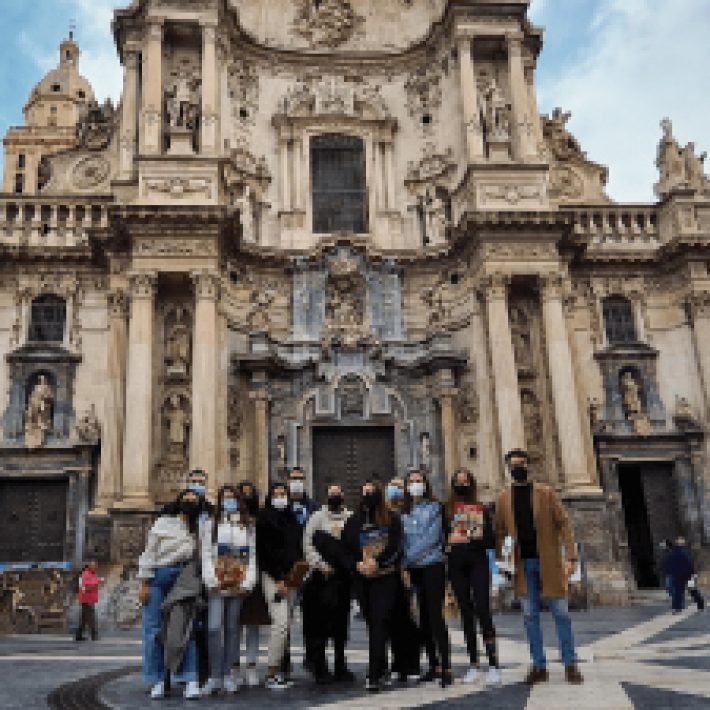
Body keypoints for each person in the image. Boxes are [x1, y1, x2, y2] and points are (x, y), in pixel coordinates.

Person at [494, 449, 583, 685]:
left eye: (521, 464)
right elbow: (500, 533)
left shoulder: (546, 493)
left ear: (528, 465)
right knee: (529, 616)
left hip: (549, 562)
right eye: (514, 465)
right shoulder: (503, 499)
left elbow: (563, 523)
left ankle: (570, 663)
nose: (518, 468)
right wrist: (504, 562)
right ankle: (539, 665)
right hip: (523, 565)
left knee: (561, 614)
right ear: (508, 469)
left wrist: (571, 557)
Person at [138, 489, 202, 700]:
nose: (189, 503)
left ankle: (189, 679)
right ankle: (157, 680)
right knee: (153, 630)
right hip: (158, 575)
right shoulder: (164, 522)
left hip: (184, 577)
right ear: (179, 501)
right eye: (186, 499)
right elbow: (149, 552)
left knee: (185, 628)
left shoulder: (201, 528)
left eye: (194, 501)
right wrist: (144, 582)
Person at [342, 480, 403, 692]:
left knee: (379, 621)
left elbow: (396, 547)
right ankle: (382, 665)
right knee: (373, 623)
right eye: (364, 491)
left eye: (372, 491)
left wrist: (379, 562)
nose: (368, 495)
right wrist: (357, 564)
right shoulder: (353, 521)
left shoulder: (391, 519)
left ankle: (374, 673)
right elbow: (345, 549)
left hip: (385, 578)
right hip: (363, 579)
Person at [446, 469, 500, 685]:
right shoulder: (447, 511)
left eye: (465, 481)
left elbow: (490, 540)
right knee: (466, 614)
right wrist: (450, 540)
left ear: (471, 483)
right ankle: (474, 664)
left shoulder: (482, 509)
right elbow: (442, 537)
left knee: (483, 610)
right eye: (458, 481)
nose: (462, 484)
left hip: (478, 563)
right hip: (456, 565)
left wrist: (474, 535)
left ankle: (494, 665)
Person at [201, 486, 257, 695]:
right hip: (217, 582)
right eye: (225, 497)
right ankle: (214, 676)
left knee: (233, 629)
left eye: (233, 497)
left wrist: (248, 582)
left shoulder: (247, 524)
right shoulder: (211, 524)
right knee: (214, 628)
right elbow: (206, 553)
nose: (229, 501)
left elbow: (252, 556)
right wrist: (210, 579)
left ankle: (227, 675)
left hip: (238, 582)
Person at [402, 470, 452, 688]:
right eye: (411, 482)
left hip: (433, 566)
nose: (415, 485)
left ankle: (446, 666)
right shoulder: (403, 512)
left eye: (418, 481)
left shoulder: (436, 508)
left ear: (426, 484)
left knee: (436, 616)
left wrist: (407, 560)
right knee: (423, 617)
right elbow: (400, 541)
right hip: (415, 571)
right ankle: (433, 664)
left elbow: (433, 538)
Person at [303, 483, 354, 683]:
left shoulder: (350, 518)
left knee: (341, 623)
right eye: (331, 493)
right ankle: (320, 665)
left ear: (342, 496)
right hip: (321, 578)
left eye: (337, 493)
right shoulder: (316, 517)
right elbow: (307, 542)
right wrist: (319, 564)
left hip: (342, 580)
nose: (334, 496)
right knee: (320, 623)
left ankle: (341, 664)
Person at [256, 482, 304, 690]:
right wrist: (279, 579)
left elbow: (296, 548)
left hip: (291, 577)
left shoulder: (292, 519)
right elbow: (265, 553)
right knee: (281, 622)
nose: (280, 497)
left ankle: (281, 671)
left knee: (285, 624)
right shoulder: (264, 519)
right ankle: (271, 671)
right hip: (274, 577)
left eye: (283, 494)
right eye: (276, 494)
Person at [386, 477, 422, 683]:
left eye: (399, 488)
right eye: (393, 488)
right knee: (394, 620)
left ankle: (413, 662)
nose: (396, 491)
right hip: (391, 573)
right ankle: (397, 662)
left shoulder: (411, 513)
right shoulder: (384, 516)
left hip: (410, 571)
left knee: (411, 620)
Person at [286, 467, 320, 675]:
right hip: (288, 568)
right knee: (284, 618)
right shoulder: (280, 507)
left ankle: (313, 658)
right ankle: (284, 660)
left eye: (300, 479)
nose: (297, 482)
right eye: (293, 479)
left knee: (313, 616)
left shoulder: (315, 508)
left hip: (309, 568)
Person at [233, 480, 265, 688]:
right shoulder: (229, 520)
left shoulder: (262, 519)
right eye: (242, 494)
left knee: (253, 623)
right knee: (233, 623)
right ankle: (234, 666)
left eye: (250, 493)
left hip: (256, 574)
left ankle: (252, 664)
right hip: (233, 574)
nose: (246, 497)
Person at [665, 537, 694, 613]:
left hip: (682, 575)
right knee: (678, 591)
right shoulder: (677, 553)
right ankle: (678, 606)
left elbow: (689, 564)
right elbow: (689, 564)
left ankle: (678, 607)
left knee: (681, 591)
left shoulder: (679, 553)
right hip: (681, 575)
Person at [75, 561, 102, 641]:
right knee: (92, 618)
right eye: (94, 566)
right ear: (90, 567)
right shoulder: (85, 575)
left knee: (84, 618)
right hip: (87, 599)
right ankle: (94, 635)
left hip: (90, 599)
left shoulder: (93, 574)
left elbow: (93, 583)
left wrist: (97, 582)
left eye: (96, 566)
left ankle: (79, 635)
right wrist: (97, 582)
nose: (95, 568)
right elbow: (86, 587)